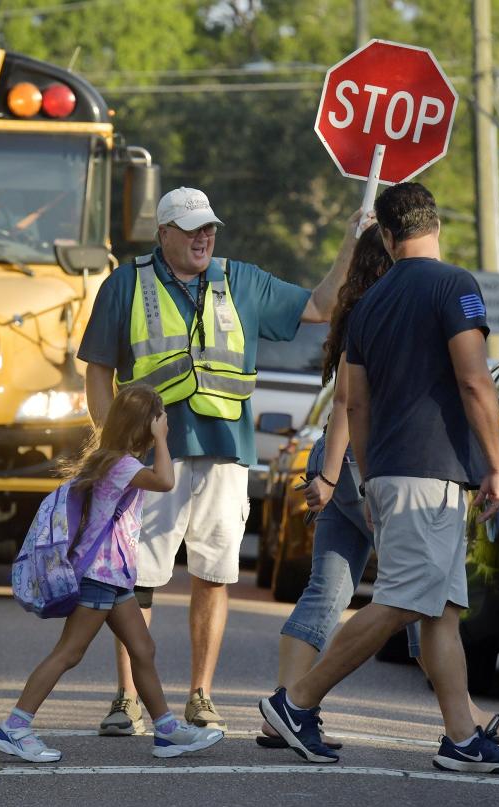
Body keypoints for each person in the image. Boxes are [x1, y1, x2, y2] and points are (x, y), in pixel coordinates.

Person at [259, 182, 499, 774]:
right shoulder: (455, 285)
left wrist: (369, 471)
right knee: (404, 602)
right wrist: (496, 466)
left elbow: (352, 404)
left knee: (441, 611)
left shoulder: (366, 304)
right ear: (436, 225)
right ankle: (297, 701)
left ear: (386, 235)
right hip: (430, 474)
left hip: (385, 471)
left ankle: (461, 737)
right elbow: (474, 381)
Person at [78, 187, 363, 734]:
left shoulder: (243, 280)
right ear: (163, 234)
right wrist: (110, 446)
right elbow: (96, 370)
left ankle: (201, 695)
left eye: (208, 227)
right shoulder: (125, 284)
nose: (203, 237)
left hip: (227, 455)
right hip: (148, 458)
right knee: (135, 579)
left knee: (214, 574)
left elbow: (322, 306)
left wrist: (348, 244)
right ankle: (127, 698)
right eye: (190, 230)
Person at [0, 384, 225, 761]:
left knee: (143, 649)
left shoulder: (110, 460)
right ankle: (14, 728)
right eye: (157, 420)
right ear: (143, 426)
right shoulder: (121, 465)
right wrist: (163, 440)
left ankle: (166, 731)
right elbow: (165, 481)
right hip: (100, 576)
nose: (160, 427)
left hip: (116, 578)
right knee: (69, 653)